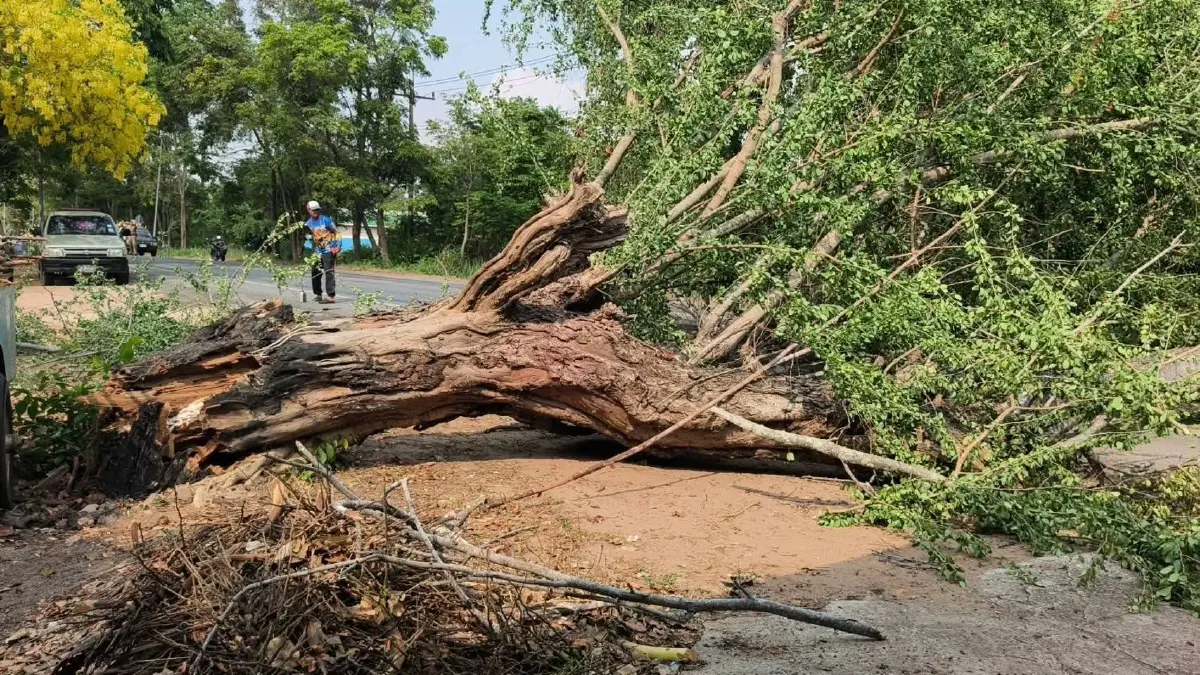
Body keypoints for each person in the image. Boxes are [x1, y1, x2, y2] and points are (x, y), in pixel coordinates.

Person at [305, 200, 339, 303]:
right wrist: (308, 237)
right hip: (317, 251)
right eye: (313, 210)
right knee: (315, 272)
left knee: (329, 272)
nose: (316, 212)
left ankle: (330, 296)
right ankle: (318, 294)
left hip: (329, 250)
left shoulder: (326, 220)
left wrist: (337, 246)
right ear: (309, 210)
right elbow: (308, 236)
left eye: (317, 210)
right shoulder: (308, 223)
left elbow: (337, 233)